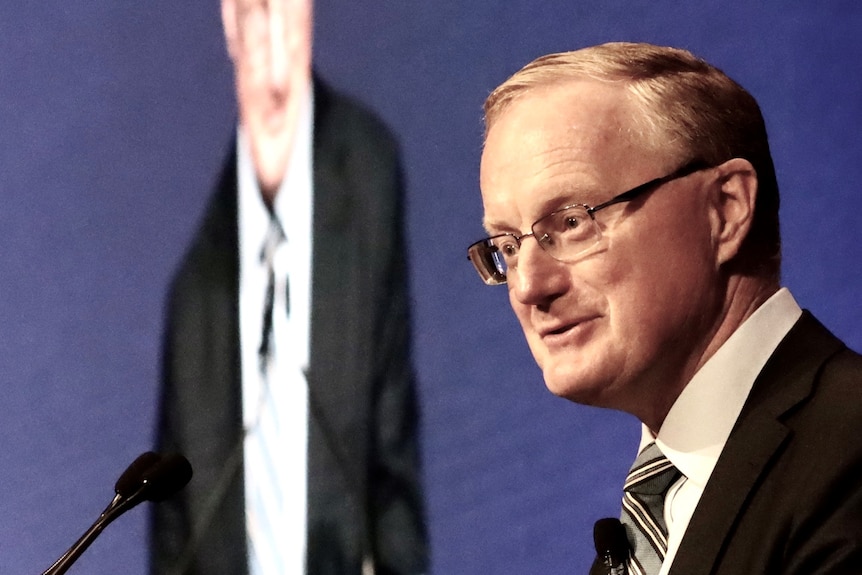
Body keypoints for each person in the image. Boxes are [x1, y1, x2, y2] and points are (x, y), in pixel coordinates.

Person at [467, 42, 862, 575]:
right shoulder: (646, 526)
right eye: (509, 247)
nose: (528, 287)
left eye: (571, 222)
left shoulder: (847, 450)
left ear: (725, 209)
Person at [150, 0, 428, 573]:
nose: (272, 35)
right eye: (253, 11)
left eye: (285, 8)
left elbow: (392, 451)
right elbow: (174, 532)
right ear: (229, 24)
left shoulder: (367, 171)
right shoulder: (193, 297)